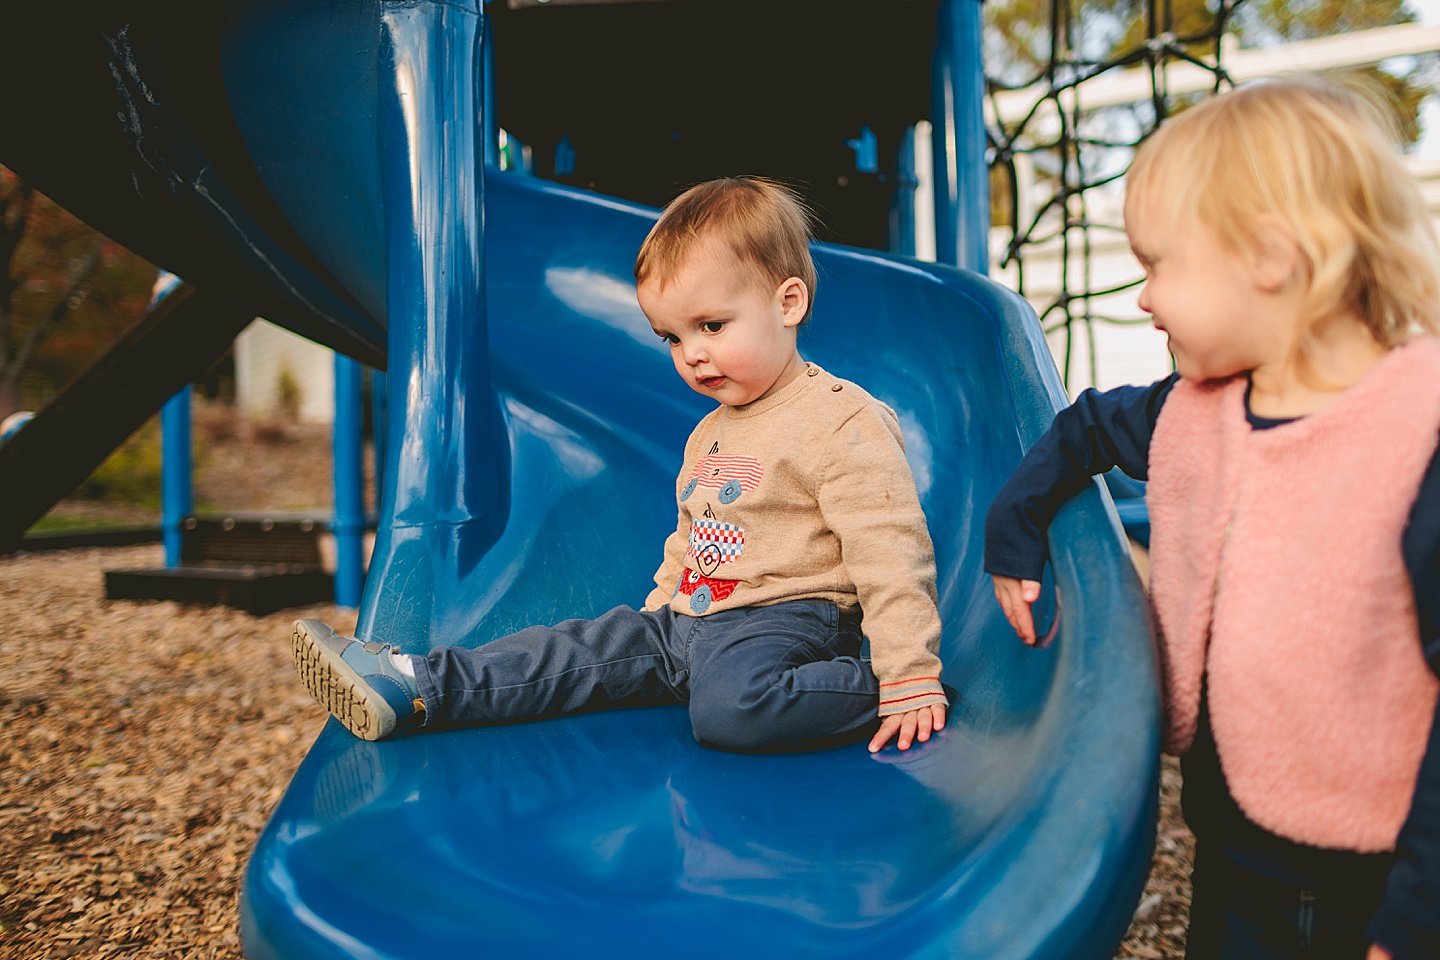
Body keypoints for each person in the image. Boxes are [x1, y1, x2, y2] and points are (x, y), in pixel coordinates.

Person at [985, 75, 1440, 959]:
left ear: (1270, 258)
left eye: (1159, 265)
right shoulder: (1195, 406)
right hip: (1232, 835)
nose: (1145, 298)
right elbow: (1079, 428)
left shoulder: (1413, 437)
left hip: (1365, 869)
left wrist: (1417, 918)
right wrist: (1017, 529)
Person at [293, 177, 949, 755]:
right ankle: (418, 685)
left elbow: (889, 548)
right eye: (672, 337)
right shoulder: (710, 433)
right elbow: (693, 536)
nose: (691, 353)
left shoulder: (838, 418)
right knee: (574, 650)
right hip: (687, 620)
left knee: (730, 710)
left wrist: (907, 669)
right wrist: (659, 613)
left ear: (788, 304)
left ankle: (877, 687)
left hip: (786, 620)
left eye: (712, 326)